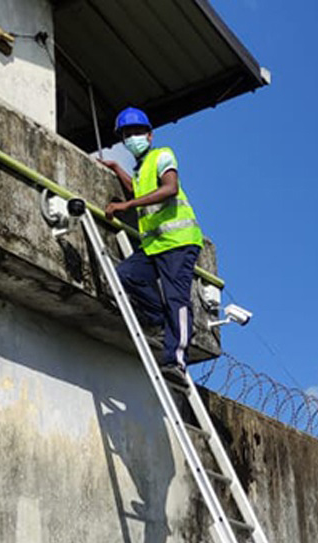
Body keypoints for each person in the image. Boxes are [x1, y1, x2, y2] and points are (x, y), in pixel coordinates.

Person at [99, 107, 203, 381]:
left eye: (136, 133)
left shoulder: (162, 155)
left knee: (176, 298)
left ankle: (176, 362)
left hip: (179, 242)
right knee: (124, 276)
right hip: (154, 245)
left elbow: (170, 188)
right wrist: (116, 168)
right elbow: (136, 189)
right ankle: (162, 321)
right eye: (127, 135)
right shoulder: (140, 169)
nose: (132, 138)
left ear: (149, 134)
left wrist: (127, 205)